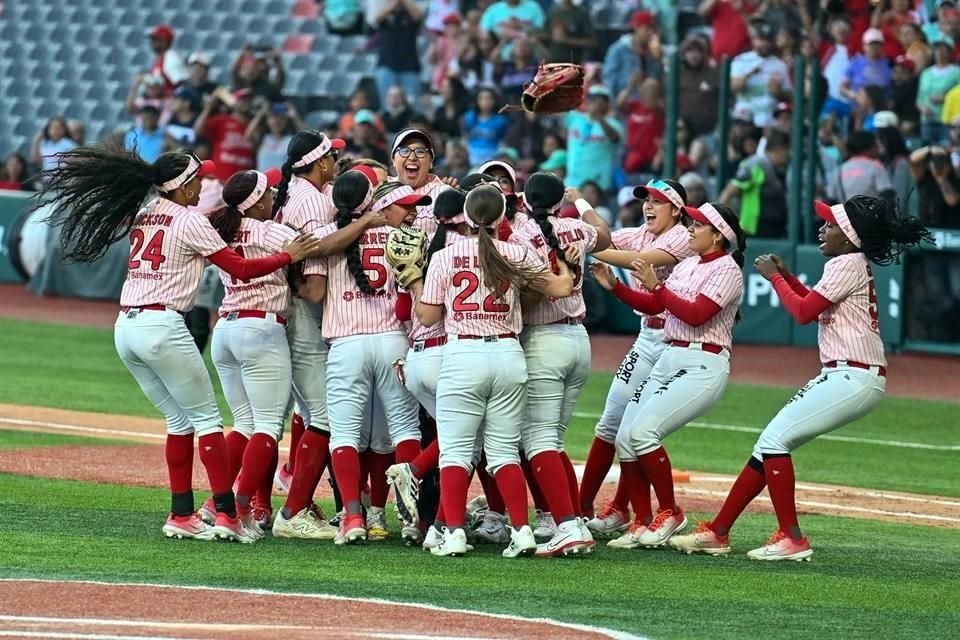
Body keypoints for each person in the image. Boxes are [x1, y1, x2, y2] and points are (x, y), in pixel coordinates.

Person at [37, 144, 320, 542]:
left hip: (126, 326)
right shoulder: (188, 220)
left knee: (179, 420)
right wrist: (286, 255)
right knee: (207, 422)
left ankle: (181, 513)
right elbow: (238, 267)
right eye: (197, 179)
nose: (203, 184)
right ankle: (226, 515)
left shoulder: (144, 212)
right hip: (163, 324)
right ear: (183, 186)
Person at [670, 196, 932, 560]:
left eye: (830, 225)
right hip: (846, 373)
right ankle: (719, 531)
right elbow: (814, 301)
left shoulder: (846, 262)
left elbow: (804, 312)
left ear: (850, 235)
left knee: (776, 441)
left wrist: (777, 279)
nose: (822, 230)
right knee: (768, 444)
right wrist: (789, 276)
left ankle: (791, 538)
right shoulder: (850, 262)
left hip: (853, 374)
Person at [408, 183, 575, 557]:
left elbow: (429, 315)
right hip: (508, 354)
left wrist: (414, 282)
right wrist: (564, 260)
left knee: (454, 451)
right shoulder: (516, 251)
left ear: (465, 217)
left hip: (464, 353)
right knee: (503, 453)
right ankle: (522, 530)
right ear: (502, 217)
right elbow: (562, 288)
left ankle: (453, 534)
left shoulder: (447, 255)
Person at [591, 201, 746, 549]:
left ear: (719, 235)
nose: (691, 228)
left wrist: (655, 286)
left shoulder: (727, 270)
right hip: (670, 356)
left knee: (644, 433)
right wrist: (615, 287)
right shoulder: (689, 263)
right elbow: (655, 306)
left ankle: (670, 511)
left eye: (699, 224)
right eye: (690, 222)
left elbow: (696, 314)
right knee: (626, 435)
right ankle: (641, 521)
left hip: (703, 363)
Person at [305, 176, 431, 545]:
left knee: (343, 434)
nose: (411, 212)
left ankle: (353, 517)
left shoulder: (332, 232)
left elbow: (313, 289)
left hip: (347, 343)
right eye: (406, 205)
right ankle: (412, 520)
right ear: (374, 202)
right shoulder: (404, 235)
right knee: (405, 430)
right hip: (393, 339)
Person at [580, 179, 696, 536]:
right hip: (647, 336)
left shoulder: (681, 236)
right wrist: (580, 207)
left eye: (657, 201)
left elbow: (639, 261)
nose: (648, 205)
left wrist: (587, 248)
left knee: (636, 429)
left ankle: (634, 512)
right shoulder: (640, 232)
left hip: (674, 342)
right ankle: (582, 508)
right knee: (610, 422)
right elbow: (601, 237)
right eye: (646, 199)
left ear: (676, 209)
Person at [507, 172, 611, 556]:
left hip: (544, 339)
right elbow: (605, 234)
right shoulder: (574, 227)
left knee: (537, 440)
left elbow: (529, 296)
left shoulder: (520, 234)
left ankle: (566, 523)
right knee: (554, 439)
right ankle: (573, 518)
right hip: (578, 340)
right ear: (557, 202)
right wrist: (581, 201)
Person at [206, 168, 298, 537]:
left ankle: (217, 504)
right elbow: (314, 244)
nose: (274, 196)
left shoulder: (221, 227)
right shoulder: (269, 230)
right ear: (256, 200)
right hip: (260, 328)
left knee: (243, 422)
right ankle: (239, 509)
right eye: (268, 192)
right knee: (267, 427)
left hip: (225, 327)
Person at [269, 130, 350, 541]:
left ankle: (289, 499)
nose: (336, 163)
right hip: (305, 315)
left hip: (287, 313)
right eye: (332, 158)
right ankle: (293, 510)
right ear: (320, 164)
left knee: (305, 415)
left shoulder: (293, 193)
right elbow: (315, 286)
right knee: (326, 418)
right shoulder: (314, 200)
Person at [720, 129, 790, 238]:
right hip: (753, 231)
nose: (789, 155)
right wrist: (733, 226)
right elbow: (727, 195)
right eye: (788, 150)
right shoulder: (755, 165)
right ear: (779, 148)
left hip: (775, 231)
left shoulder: (781, 169)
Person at [564, 85, 624, 192]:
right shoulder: (575, 118)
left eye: (601, 102)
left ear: (607, 105)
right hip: (572, 184)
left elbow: (615, 138)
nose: (596, 105)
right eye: (593, 100)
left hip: (598, 187)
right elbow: (553, 112)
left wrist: (599, 118)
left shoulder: (614, 124)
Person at [602, 10, 663, 99]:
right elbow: (609, 81)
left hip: (646, 105)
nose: (650, 32)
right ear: (636, 28)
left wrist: (659, 60)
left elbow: (657, 83)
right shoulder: (618, 49)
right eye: (647, 28)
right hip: (623, 103)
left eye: (652, 29)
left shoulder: (653, 52)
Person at [462, 87, 510, 166]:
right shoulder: (469, 117)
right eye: (482, 98)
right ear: (477, 101)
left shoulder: (500, 121)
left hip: (492, 160)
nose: (485, 102)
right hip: (471, 159)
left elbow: (503, 142)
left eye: (488, 99)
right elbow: (464, 137)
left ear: (494, 101)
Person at [147, 24, 188, 94]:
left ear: (164, 41)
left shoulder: (171, 58)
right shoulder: (160, 58)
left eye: (155, 39)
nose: (152, 42)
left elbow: (182, 84)